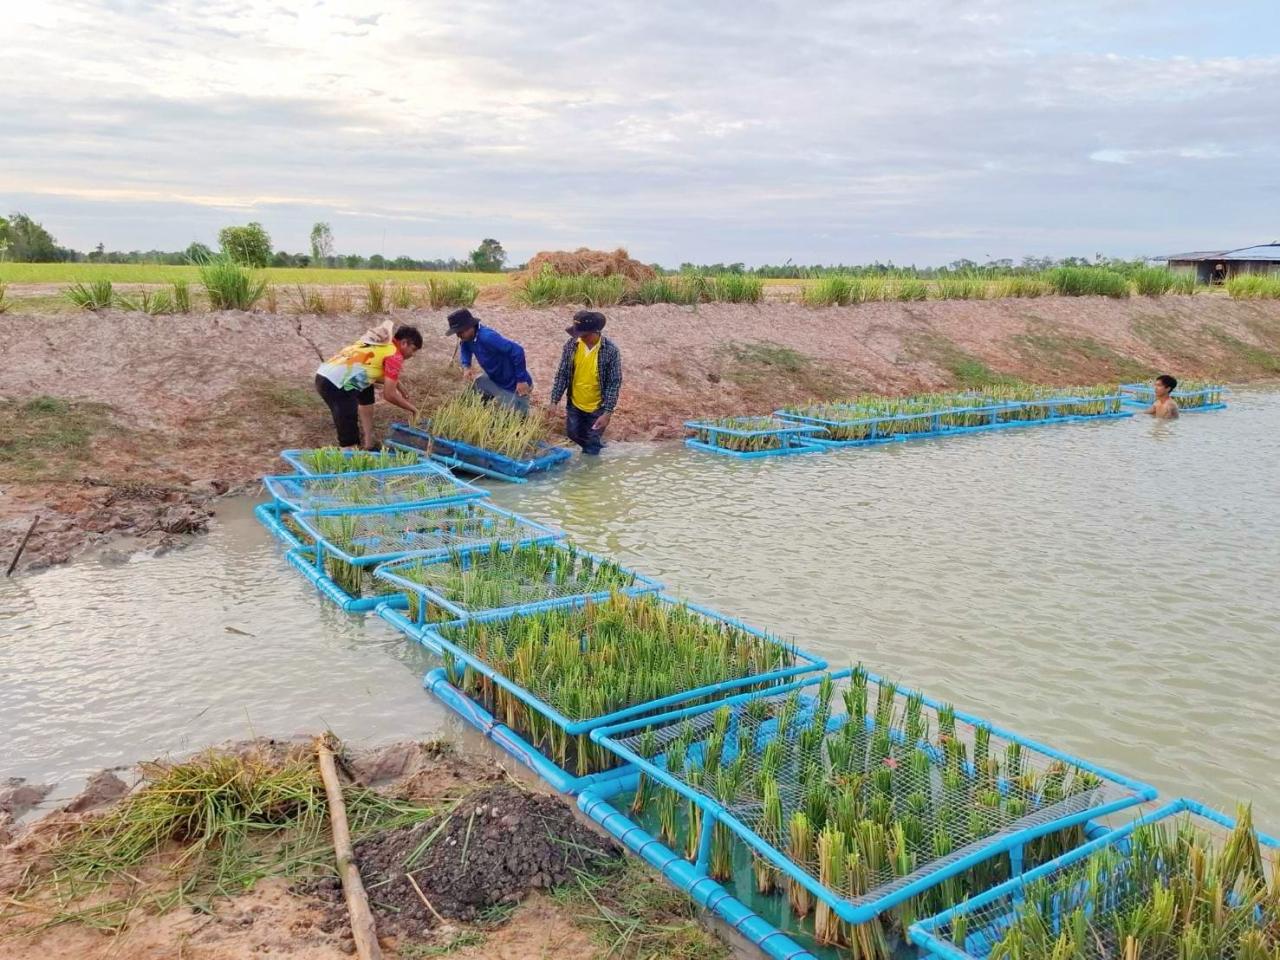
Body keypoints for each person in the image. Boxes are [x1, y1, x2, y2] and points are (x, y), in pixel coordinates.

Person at [314, 321, 422, 449]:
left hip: (324, 374)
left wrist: (399, 385)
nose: (412, 354)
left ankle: (369, 442)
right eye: (413, 349)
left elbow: (372, 371)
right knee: (348, 427)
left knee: (367, 390)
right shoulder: (395, 356)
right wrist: (413, 409)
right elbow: (389, 394)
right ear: (404, 343)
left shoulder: (379, 345)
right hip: (336, 385)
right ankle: (349, 454)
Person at [549, 310, 622, 455]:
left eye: (583, 335)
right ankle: (596, 449)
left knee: (591, 444)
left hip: (597, 407)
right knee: (572, 434)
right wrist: (554, 401)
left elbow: (614, 383)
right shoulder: (572, 345)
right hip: (575, 403)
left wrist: (607, 413)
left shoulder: (610, 351)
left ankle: (591, 466)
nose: (579, 338)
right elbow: (562, 374)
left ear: (595, 332)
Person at [444, 308, 533, 413]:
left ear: (469, 326)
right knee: (468, 400)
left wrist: (521, 380)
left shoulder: (487, 337)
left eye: (460, 332)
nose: (458, 335)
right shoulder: (467, 338)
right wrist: (466, 365)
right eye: (457, 333)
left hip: (514, 385)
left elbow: (517, 351)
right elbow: (465, 347)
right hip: (493, 378)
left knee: (514, 421)